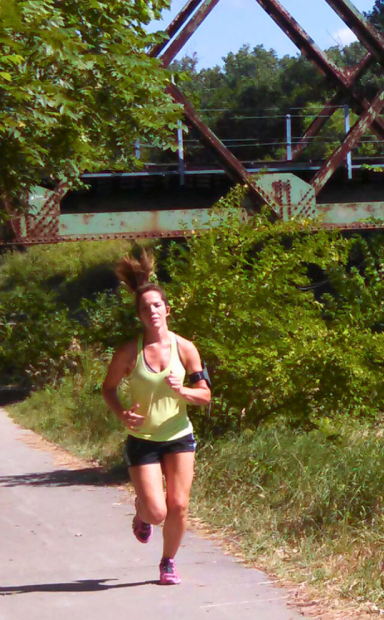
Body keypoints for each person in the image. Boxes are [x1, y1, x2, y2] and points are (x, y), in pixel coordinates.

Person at [101, 249, 211, 586]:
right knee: (157, 511)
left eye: (157, 306)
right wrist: (122, 412)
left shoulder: (186, 348)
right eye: (145, 307)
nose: (152, 311)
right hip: (143, 441)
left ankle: (168, 562)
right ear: (139, 315)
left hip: (179, 436)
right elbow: (108, 388)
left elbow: (205, 396)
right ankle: (142, 511)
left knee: (178, 506)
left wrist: (183, 392)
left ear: (167, 310)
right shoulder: (129, 352)